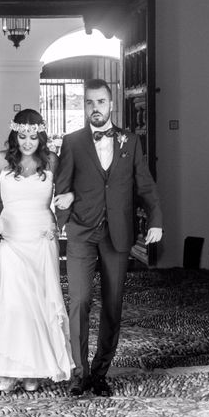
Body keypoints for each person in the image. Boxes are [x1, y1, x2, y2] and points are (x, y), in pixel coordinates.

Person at [54, 79, 163, 397]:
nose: (95, 108)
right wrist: (59, 220)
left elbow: (144, 183)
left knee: (112, 305)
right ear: (84, 106)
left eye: (100, 101)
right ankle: (79, 372)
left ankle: (101, 372)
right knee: (80, 300)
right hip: (82, 232)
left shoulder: (131, 140)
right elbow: (63, 186)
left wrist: (155, 220)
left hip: (118, 234)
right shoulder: (72, 142)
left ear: (111, 104)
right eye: (89, 102)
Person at [0, 109, 74, 392]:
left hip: (40, 235)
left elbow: (65, 193)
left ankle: (34, 369)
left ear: (41, 136)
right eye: (22, 136)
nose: (27, 142)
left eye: (33, 137)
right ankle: (6, 367)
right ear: (15, 135)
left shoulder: (51, 160)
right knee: (11, 301)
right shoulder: (1, 160)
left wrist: (60, 222)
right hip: (8, 235)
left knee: (37, 301)